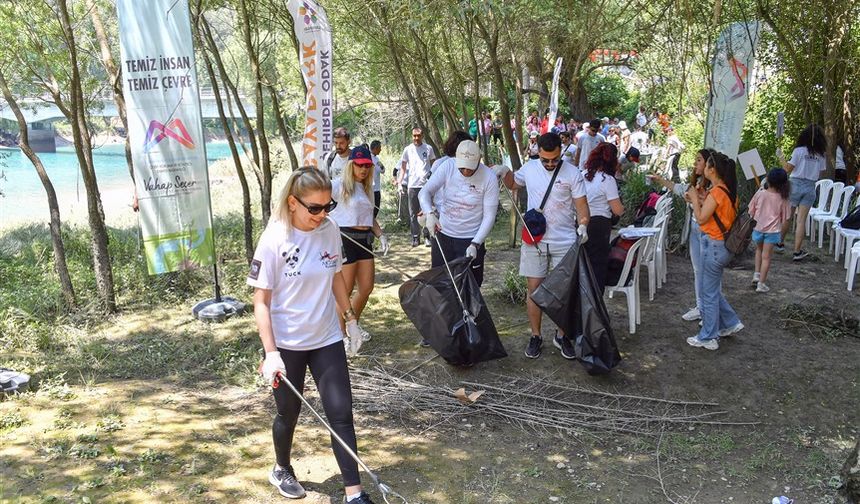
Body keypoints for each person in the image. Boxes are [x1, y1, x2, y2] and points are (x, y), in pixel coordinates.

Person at [249, 167, 376, 504]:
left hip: (326, 338)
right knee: (288, 413)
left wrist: (349, 318)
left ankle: (354, 493)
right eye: (314, 209)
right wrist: (270, 352)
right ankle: (281, 467)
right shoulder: (275, 238)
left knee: (341, 412)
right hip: (288, 344)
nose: (322, 216)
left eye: (328, 207)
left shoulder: (330, 230)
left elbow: (336, 276)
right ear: (293, 203)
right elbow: (260, 301)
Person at [496, 133, 590, 360]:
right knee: (534, 290)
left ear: (561, 153)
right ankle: (536, 336)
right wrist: (502, 170)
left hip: (565, 239)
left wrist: (584, 226)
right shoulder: (529, 168)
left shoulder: (572, 173)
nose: (550, 163)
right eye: (545, 159)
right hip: (534, 239)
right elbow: (512, 183)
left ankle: (562, 335)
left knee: (564, 293)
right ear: (537, 152)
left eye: (554, 159)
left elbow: (582, 207)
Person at [330, 145, 390, 341]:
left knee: (366, 287)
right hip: (345, 239)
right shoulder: (339, 185)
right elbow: (317, 194)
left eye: (366, 165)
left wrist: (381, 235)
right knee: (344, 291)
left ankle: (352, 325)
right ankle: (340, 336)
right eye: (359, 165)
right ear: (351, 165)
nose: (363, 169)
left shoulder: (367, 188)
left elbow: (369, 217)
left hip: (364, 241)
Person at [685, 152, 744, 350]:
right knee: (710, 290)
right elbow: (715, 214)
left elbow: (701, 218)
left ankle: (708, 336)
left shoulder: (718, 192)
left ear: (712, 170)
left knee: (708, 293)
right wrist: (702, 198)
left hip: (714, 247)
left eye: (707, 165)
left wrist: (694, 198)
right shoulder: (726, 190)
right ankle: (730, 322)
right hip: (721, 246)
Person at [420, 139, 499, 286]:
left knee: (470, 286)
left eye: (470, 168)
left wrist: (476, 243)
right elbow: (425, 192)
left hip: (471, 238)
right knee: (440, 283)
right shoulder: (448, 166)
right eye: (462, 168)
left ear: (479, 161)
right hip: (444, 234)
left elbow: (489, 216)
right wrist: (429, 213)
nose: (466, 172)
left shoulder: (489, 177)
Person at [649, 148, 714, 322]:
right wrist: (660, 180)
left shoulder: (715, 186)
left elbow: (710, 208)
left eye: (699, 160)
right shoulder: (697, 182)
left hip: (708, 233)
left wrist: (695, 200)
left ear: (709, 164)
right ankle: (701, 307)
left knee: (709, 273)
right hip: (694, 230)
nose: (695, 163)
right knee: (698, 270)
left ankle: (709, 311)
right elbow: (679, 189)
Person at [777, 124, 827, 260]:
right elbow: (821, 172)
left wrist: (781, 157)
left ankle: (779, 244)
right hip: (810, 187)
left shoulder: (799, 151)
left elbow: (787, 168)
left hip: (795, 185)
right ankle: (797, 251)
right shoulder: (821, 155)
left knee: (788, 216)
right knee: (801, 221)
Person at [582, 143, 624, 292]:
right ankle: (595, 306)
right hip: (599, 225)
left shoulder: (583, 175)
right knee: (597, 267)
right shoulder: (607, 180)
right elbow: (617, 210)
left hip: (581, 221)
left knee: (582, 266)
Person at [748, 168, 791, 293]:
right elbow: (785, 217)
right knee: (766, 257)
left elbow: (751, 210)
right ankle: (761, 284)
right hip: (772, 232)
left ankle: (756, 274)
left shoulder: (760, 193)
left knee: (759, 250)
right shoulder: (784, 199)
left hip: (758, 228)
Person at [397, 127, 436, 247]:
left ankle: (427, 236)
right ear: (412, 136)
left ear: (422, 135)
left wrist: (433, 178)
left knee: (425, 211)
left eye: (418, 135)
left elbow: (434, 164)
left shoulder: (428, 148)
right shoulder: (407, 150)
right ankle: (415, 237)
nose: (416, 138)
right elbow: (403, 168)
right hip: (412, 185)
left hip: (425, 186)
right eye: (414, 136)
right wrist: (399, 183)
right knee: (413, 213)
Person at [369, 140, 385, 218]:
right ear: (375, 148)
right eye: (379, 148)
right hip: (372, 189)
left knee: (375, 209)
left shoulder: (376, 159)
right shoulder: (370, 158)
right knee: (373, 209)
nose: (380, 150)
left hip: (375, 188)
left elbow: (382, 170)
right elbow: (382, 169)